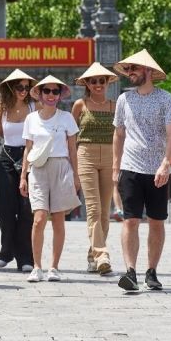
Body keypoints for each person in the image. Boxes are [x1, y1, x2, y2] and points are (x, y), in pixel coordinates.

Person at [112, 49, 171, 292]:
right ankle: (130, 272)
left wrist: (165, 163)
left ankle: (151, 271)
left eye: (135, 68)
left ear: (148, 71)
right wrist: (115, 166)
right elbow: (119, 134)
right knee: (130, 220)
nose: (130, 73)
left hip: (157, 170)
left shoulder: (166, 99)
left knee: (156, 221)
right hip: (130, 167)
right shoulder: (123, 100)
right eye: (128, 69)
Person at [19, 75, 81, 283]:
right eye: (48, 91)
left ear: (60, 95)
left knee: (58, 220)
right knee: (39, 219)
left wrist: (76, 175)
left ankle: (54, 267)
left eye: (55, 91)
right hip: (37, 169)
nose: (51, 95)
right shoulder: (31, 119)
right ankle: (37, 267)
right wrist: (23, 176)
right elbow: (27, 150)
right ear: (40, 94)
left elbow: (73, 149)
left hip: (61, 167)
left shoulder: (66, 118)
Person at [72, 62, 118, 276]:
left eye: (102, 80)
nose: (98, 84)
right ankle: (102, 255)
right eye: (93, 81)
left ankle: (93, 256)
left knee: (105, 211)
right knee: (93, 209)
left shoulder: (114, 105)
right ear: (87, 84)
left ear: (107, 82)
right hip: (86, 156)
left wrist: (120, 161)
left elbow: (121, 135)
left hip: (109, 156)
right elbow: (71, 136)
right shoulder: (80, 105)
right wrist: (71, 165)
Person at [0, 68, 36, 272]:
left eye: (27, 88)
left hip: (29, 155)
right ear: (11, 88)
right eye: (19, 87)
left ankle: (26, 256)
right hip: (7, 157)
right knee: (5, 207)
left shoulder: (34, 107)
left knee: (26, 208)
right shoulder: (1, 109)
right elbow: (1, 134)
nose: (23, 91)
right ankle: (6, 248)